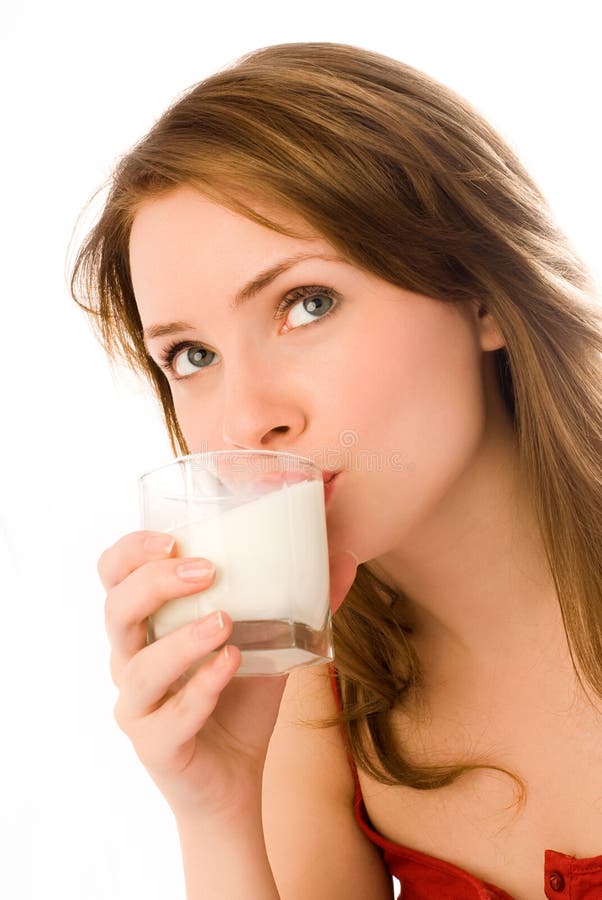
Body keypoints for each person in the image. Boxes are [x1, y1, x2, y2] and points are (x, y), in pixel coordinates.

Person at [70, 42, 602, 899]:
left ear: (483, 295)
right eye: (193, 355)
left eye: (306, 304)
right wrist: (217, 813)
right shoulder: (313, 695)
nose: (247, 419)